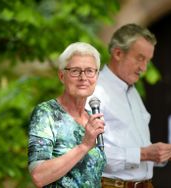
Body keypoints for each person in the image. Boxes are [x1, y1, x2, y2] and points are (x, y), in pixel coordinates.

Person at [87, 23, 171, 188]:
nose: (144, 68)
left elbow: (138, 152)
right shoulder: (94, 92)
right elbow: (90, 155)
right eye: (140, 58)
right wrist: (145, 154)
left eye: (148, 61)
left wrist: (162, 155)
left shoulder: (132, 92)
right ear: (118, 53)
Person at [28, 42, 106, 188]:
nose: (83, 77)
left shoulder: (92, 117)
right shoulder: (46, 113)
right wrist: (84, 146)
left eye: (90, 71)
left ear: (97, 76)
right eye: (75, 71)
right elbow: (38, 176)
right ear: (62, 76)